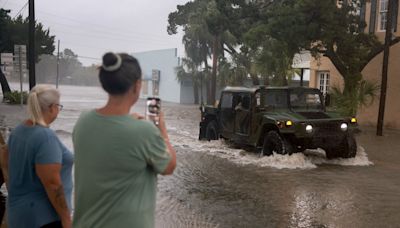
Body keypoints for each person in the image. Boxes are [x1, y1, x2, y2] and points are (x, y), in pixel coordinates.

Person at [73, 52, 177, 228]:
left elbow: (110, 144)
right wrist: (162, 131)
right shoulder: (144, 132)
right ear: (137, 86)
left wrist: (130, 123)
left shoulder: (83, 122)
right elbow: (169, 166)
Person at [5, 84, 73, 228]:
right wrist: (66, 219)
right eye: (59, 106)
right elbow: (52, 183)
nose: (58, 110)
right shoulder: (45, 137)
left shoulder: (18, 131)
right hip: (44, 218)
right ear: (51, 107)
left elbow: (5, 163)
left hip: (18, 214)